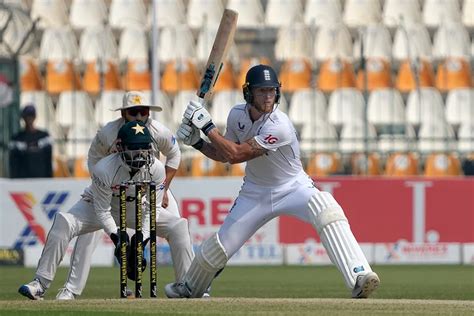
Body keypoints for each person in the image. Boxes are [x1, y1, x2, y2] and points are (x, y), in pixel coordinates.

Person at [165, 64, 380, 299]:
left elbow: (238, 154)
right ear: (249, 93)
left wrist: (207, 127)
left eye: (271, 91)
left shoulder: (280, 125)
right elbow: (225, 155)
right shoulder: (237, 115)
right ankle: (190, 287)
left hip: (293, 187)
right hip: (254, 192)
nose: (268, 96)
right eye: (261, 91)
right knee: (219, 246)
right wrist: (198, 143)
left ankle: (359, 275)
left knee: (326, 207)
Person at [54, 91, 196, 300]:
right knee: (89, 230)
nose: (139, 117)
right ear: (124, 114)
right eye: (133, 112)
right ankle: (71, 289)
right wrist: (103, 189)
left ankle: (190, 287)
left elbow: (175, 154)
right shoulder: (108, 133)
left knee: (178, 227)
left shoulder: (158, 131)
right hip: (115, 188)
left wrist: (164, 188)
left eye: (143, 111)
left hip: (151, 187)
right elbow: (94, 161)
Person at [18, 121, 177, 300]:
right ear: (120, 147)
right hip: (100, 207)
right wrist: (118, 238)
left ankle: (190, 288)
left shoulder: (156, 169)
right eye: (134, 148)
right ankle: (40, 284)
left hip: (135, 208)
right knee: (64, 222)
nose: (140, 154)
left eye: (144, 148)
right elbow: (102, 210)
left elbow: (152, 209)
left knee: (178, 225)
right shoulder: (103, 169)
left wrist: (142, 239)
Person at [9, 104, 53, 178]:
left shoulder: (44, 136)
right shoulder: (17, 138)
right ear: (23, 117)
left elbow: (48, 159)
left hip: (41, 178)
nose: (29, 118)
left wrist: (49, 177)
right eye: (27, 116)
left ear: (35, 117)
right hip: (22, 179)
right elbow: (13, 162)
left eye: (31, 116)